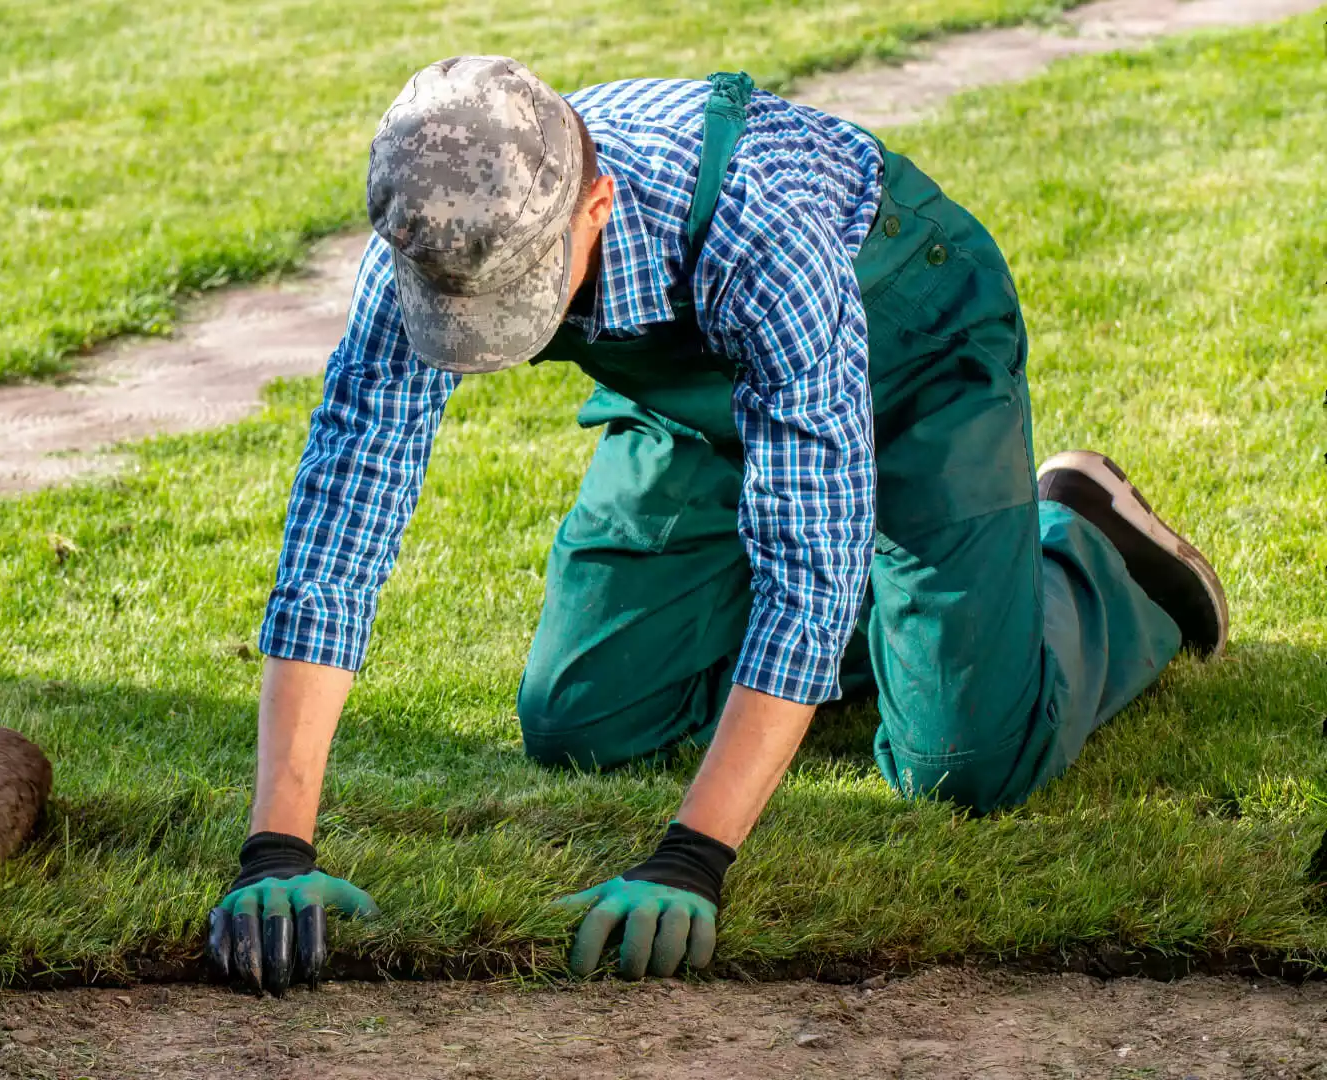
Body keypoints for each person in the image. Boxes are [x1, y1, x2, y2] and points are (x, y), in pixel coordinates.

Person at [202, 56, 1226, 994]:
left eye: (521, 296)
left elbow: (806, 570)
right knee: (581, 724)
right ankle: (917, 609)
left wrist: (693, 855)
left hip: (908, 348)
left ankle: (1086, 549)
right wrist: (275, 850)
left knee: (963, 764)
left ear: (594, 206)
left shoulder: (759, 231)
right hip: (696, 401)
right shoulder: (436, 232)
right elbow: (342, 522)